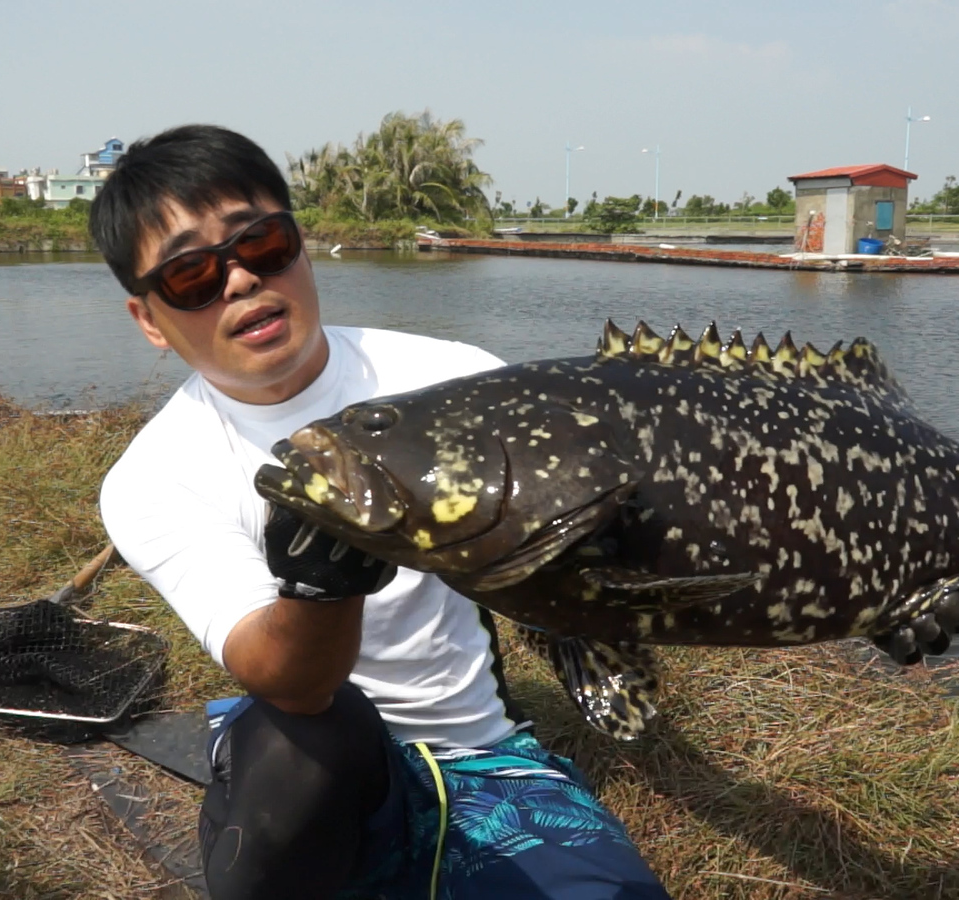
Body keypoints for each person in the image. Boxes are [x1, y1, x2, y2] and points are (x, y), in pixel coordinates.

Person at [90, 124, 673, 899]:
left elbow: (580, 560)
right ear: (150, 320)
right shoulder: (151, 479)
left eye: (260, 244)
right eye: (192, 274)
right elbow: (286, 681)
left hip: (480, 760)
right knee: (305, 738)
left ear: (299, 245)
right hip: (315, 770)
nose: (238, 282)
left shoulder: (456, 378)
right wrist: (322, 584)